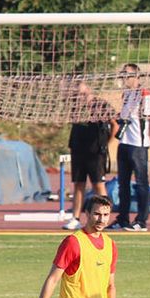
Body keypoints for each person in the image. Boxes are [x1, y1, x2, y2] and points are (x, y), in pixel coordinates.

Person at [111, 63, 150, 232]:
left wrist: (149, 139)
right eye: (123, 74)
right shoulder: (126, 94)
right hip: (124, 143)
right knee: (122, 184)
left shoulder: (145, 95)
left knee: (141, 183)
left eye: (128, 75)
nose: (124, 78)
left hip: (138, 145)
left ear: (137, 77)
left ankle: (141, 221)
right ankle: (122, 218)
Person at [64, 79, 114, 231]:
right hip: (79, 150)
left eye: (82, 93)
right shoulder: (76, 107)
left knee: (98, 184)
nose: (80, 97)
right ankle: (75, 217)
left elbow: (115, 124)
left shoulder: (101, 104)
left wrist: (106, 144)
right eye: (77, 94)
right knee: (78, 184)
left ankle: (104, 216)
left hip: (95, 153)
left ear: (89, 90)